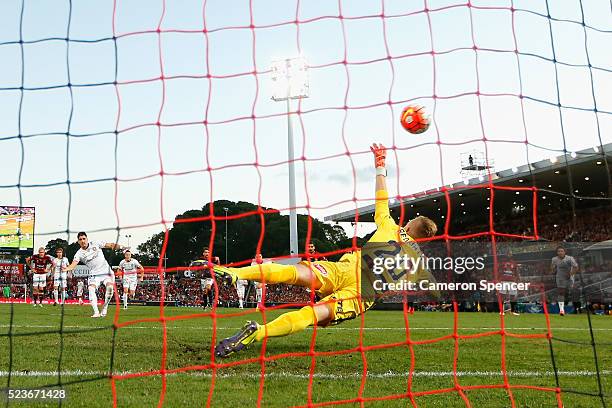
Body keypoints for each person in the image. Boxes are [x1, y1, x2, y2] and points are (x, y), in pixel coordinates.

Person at [213, 143, 438, 357]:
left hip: (347, 268)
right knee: (311, 314)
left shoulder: (390, 225)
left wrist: (380, 165)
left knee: (293, 273)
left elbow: (382, 197)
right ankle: (259, 332)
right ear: (423, 241)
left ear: (408, 225)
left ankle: (236, 273)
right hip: (363, 292)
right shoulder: (418, 263)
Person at [63, 232, 126, 318]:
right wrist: (67, 268)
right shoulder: (79, 253)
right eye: (80, 239)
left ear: (87, 239)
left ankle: (105, 307)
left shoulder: (96, 243)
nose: (82, 241)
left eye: (84, 239)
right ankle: (96, 312)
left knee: (110, 289)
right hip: (94, 274)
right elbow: (73, 264)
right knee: (91, 289)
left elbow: (110, 245)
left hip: (106, 272)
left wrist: (122, 247)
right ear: (78, 241)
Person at [551, 245, 578, 316]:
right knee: (561, 292)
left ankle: (575, 307)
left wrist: (570, 274)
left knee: (571, 291)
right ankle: (562, 310)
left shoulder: (570, 258)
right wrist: (553, 270)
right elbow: (552, 268)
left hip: (570, 277)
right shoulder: (554, 259)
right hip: (560, 277)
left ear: (565, 252)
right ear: (557, 253)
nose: (560, 252)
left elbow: (576, 267)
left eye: (561, 251)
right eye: (558, 251)